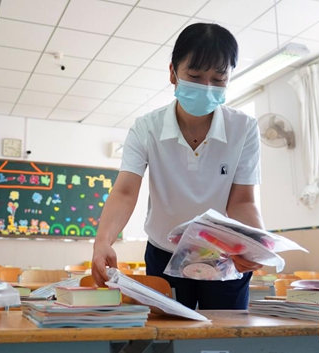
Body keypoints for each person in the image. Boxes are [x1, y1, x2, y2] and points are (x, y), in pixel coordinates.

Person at [91, 23, 265, 310]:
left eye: (218, 79)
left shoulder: (243, 128)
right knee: (165, 337)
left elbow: (243, 200)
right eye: (195, 76)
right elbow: (124, 192)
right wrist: (103, 241)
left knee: (224, 338)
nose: (206, 88)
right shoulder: (147, 127)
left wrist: (256, 244)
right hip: (165, 253)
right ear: (173, 73)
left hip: (224, 256)